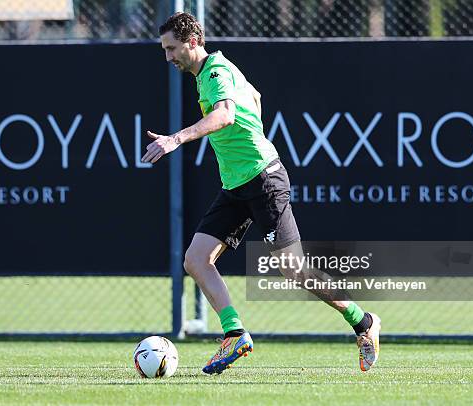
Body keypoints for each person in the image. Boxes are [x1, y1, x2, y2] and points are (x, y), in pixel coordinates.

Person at [142, 12, 381, 375]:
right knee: (196, 259)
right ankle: (235, 333)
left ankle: (362, 321)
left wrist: (177, 139)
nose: (168, 57)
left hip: (264, 181)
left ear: (192, 42)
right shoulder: (211, 72)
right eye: (164, 50)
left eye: (171, 48)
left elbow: (224, 115)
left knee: (292, 269)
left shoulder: (216, 73)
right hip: (236, 185)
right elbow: (254, 96)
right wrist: (255, 134)